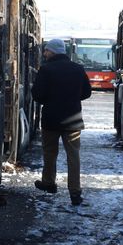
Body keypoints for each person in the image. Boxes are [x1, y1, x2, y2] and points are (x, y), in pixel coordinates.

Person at [32, 38, 92, 205]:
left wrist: (51, 100)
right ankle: (75, 192)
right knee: (73, 156)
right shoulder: (78, 69)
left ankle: (49, 183)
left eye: (46, 50)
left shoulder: (46, 69)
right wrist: (72, 99)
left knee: (50, 153)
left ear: (53, 52)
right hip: (73, 120)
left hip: (51, 119)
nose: (44, 53)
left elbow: (37, 95)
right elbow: (87, 93)